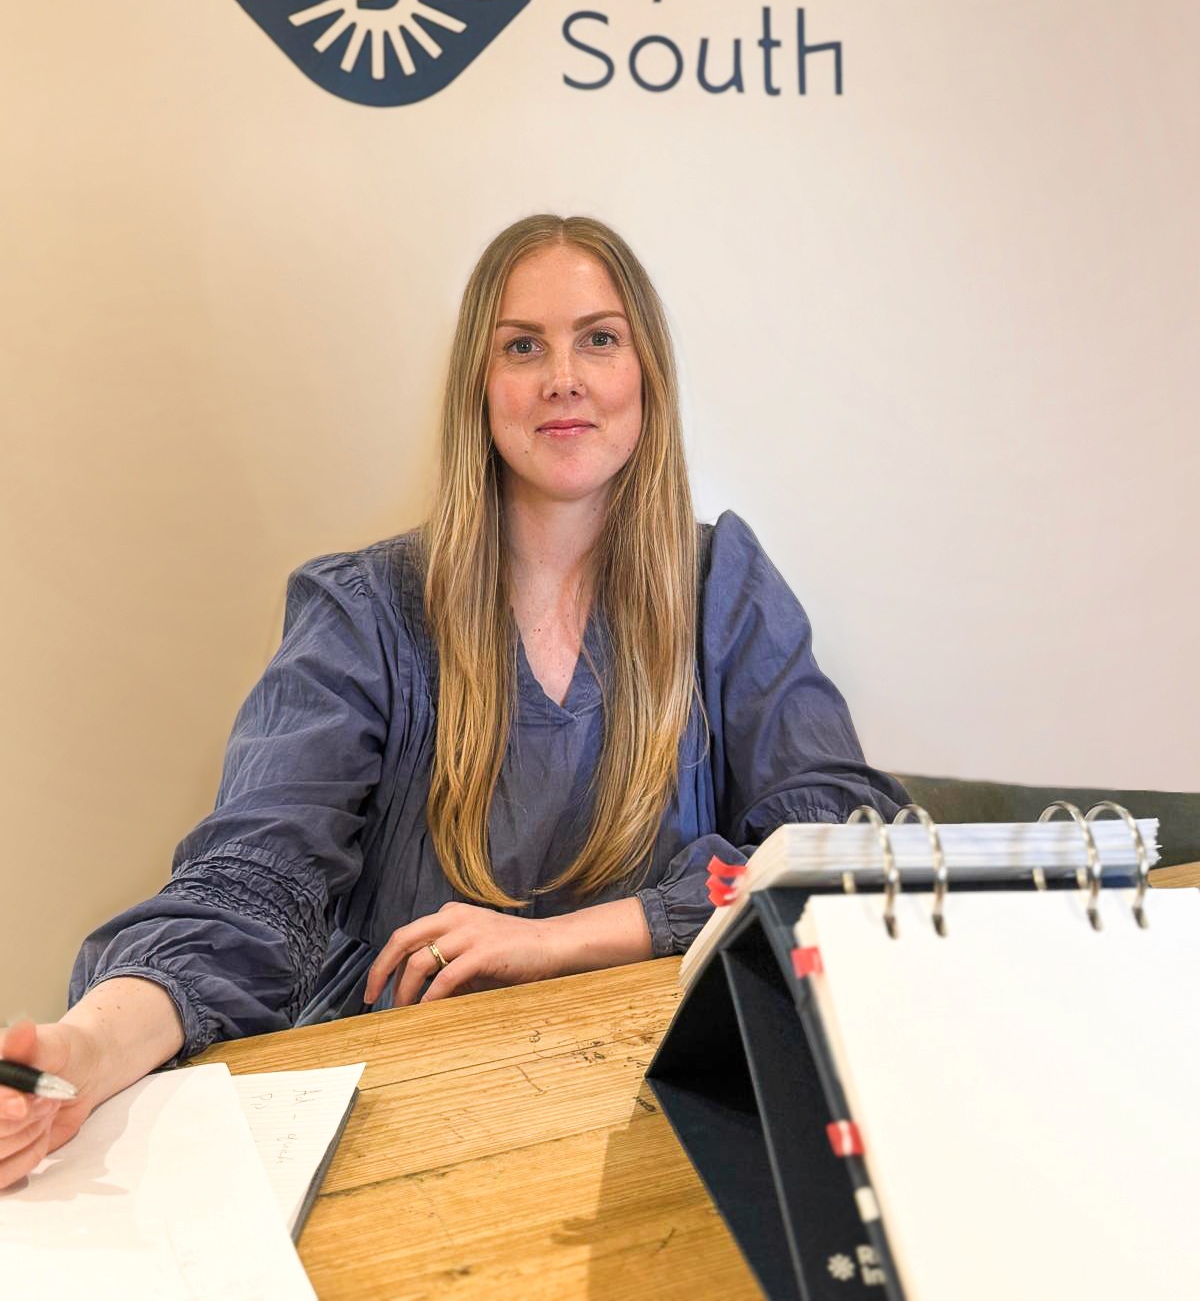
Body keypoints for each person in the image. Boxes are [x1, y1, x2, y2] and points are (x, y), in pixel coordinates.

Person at [0, 212, 907, 1187]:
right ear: (481, 388)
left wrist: (556, 941)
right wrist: (85, 1051)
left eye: (599, 338)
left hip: (661, 1110)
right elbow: (253, 883)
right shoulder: (359, 610)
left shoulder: (724, 582)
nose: (563, 376)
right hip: (408, 1120)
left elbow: (833, 837)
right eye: (524, 346)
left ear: (647, 377)